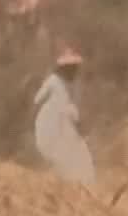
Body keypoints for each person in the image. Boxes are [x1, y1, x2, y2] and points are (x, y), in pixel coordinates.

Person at [33, 48, 96, 186]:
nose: (74, 72)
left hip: (66, 125)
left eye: (75, 68)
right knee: (59, 153)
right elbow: (37, 100)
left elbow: (73, 112)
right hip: (50, 123)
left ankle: (79, 184)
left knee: (79, 154)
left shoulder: (75, 86)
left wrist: (80, 127)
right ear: (65, 69)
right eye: (71, 68)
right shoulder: (53, 81)